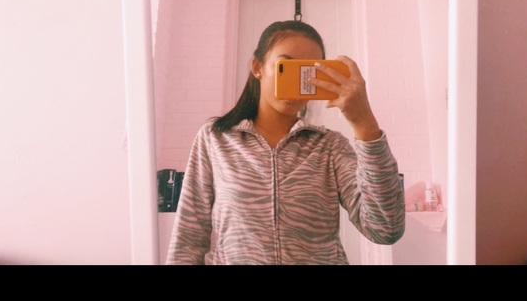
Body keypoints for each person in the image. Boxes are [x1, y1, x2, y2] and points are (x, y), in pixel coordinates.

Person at [166, 20, 405, 265]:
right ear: (258, 68)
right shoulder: (215, 139)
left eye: (307, 71)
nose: (297, 81)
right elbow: (188, 239)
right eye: (285, 67)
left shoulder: (330, 146)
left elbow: (385, 228)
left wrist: (365, 125)